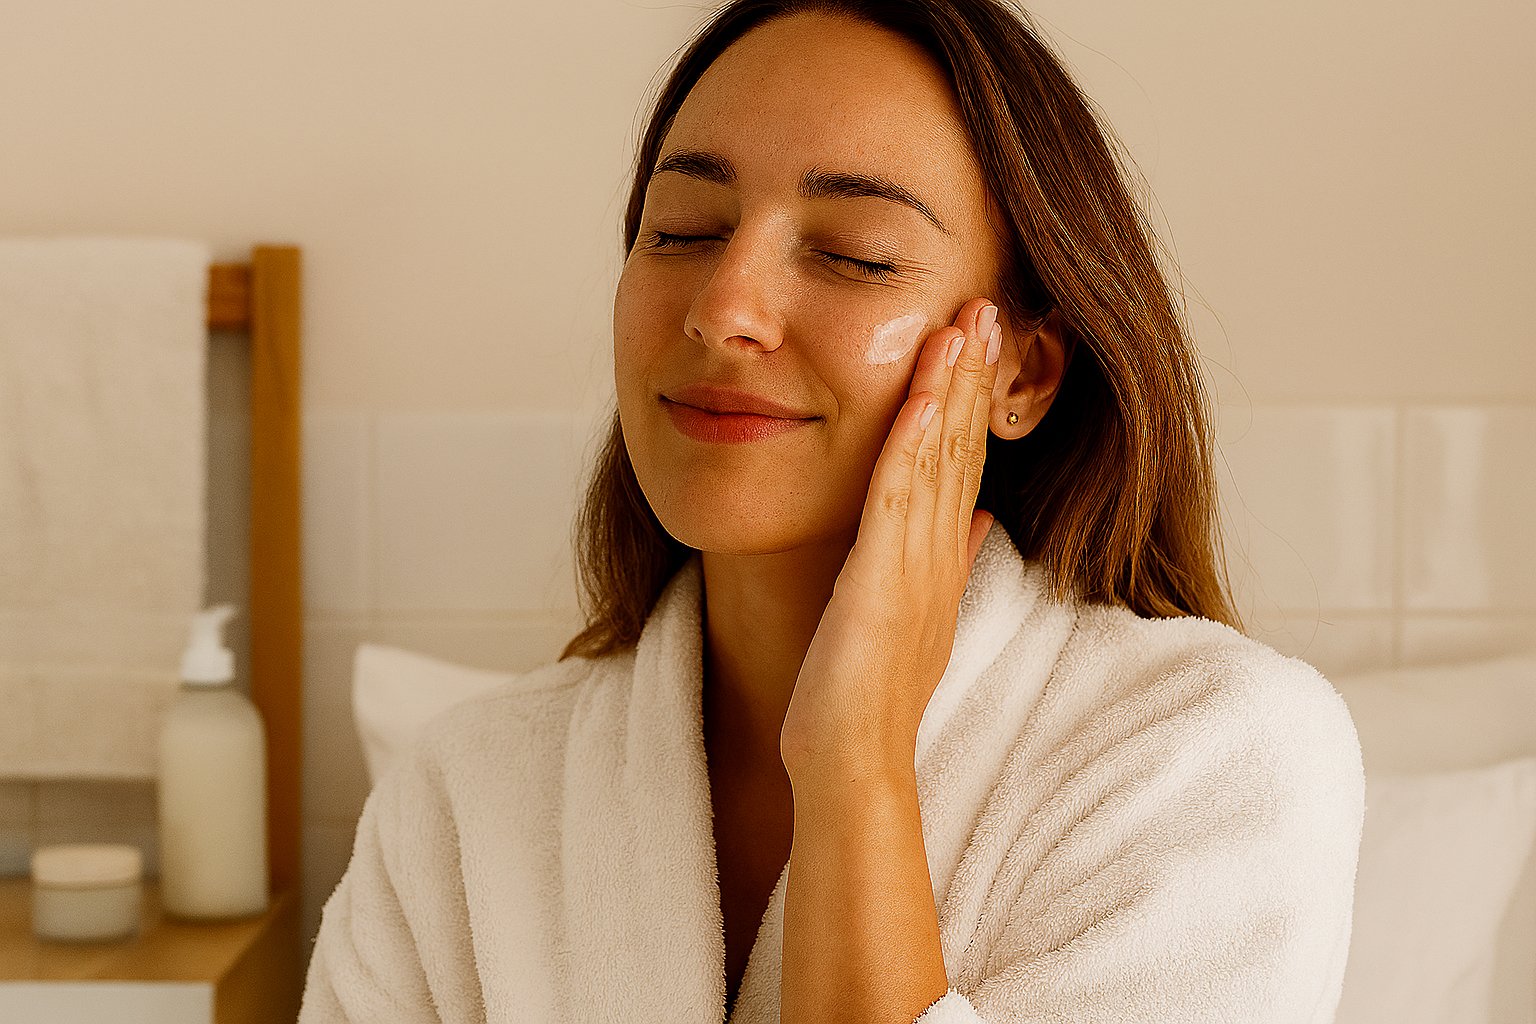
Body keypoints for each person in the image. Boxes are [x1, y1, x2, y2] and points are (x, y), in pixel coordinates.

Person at [299, 2, 1366, 1023]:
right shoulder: (464, 795)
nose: (725, 311)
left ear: (1024, 374)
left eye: (854, 254)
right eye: (682, 230)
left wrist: (856, 759)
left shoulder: (1214, 760)